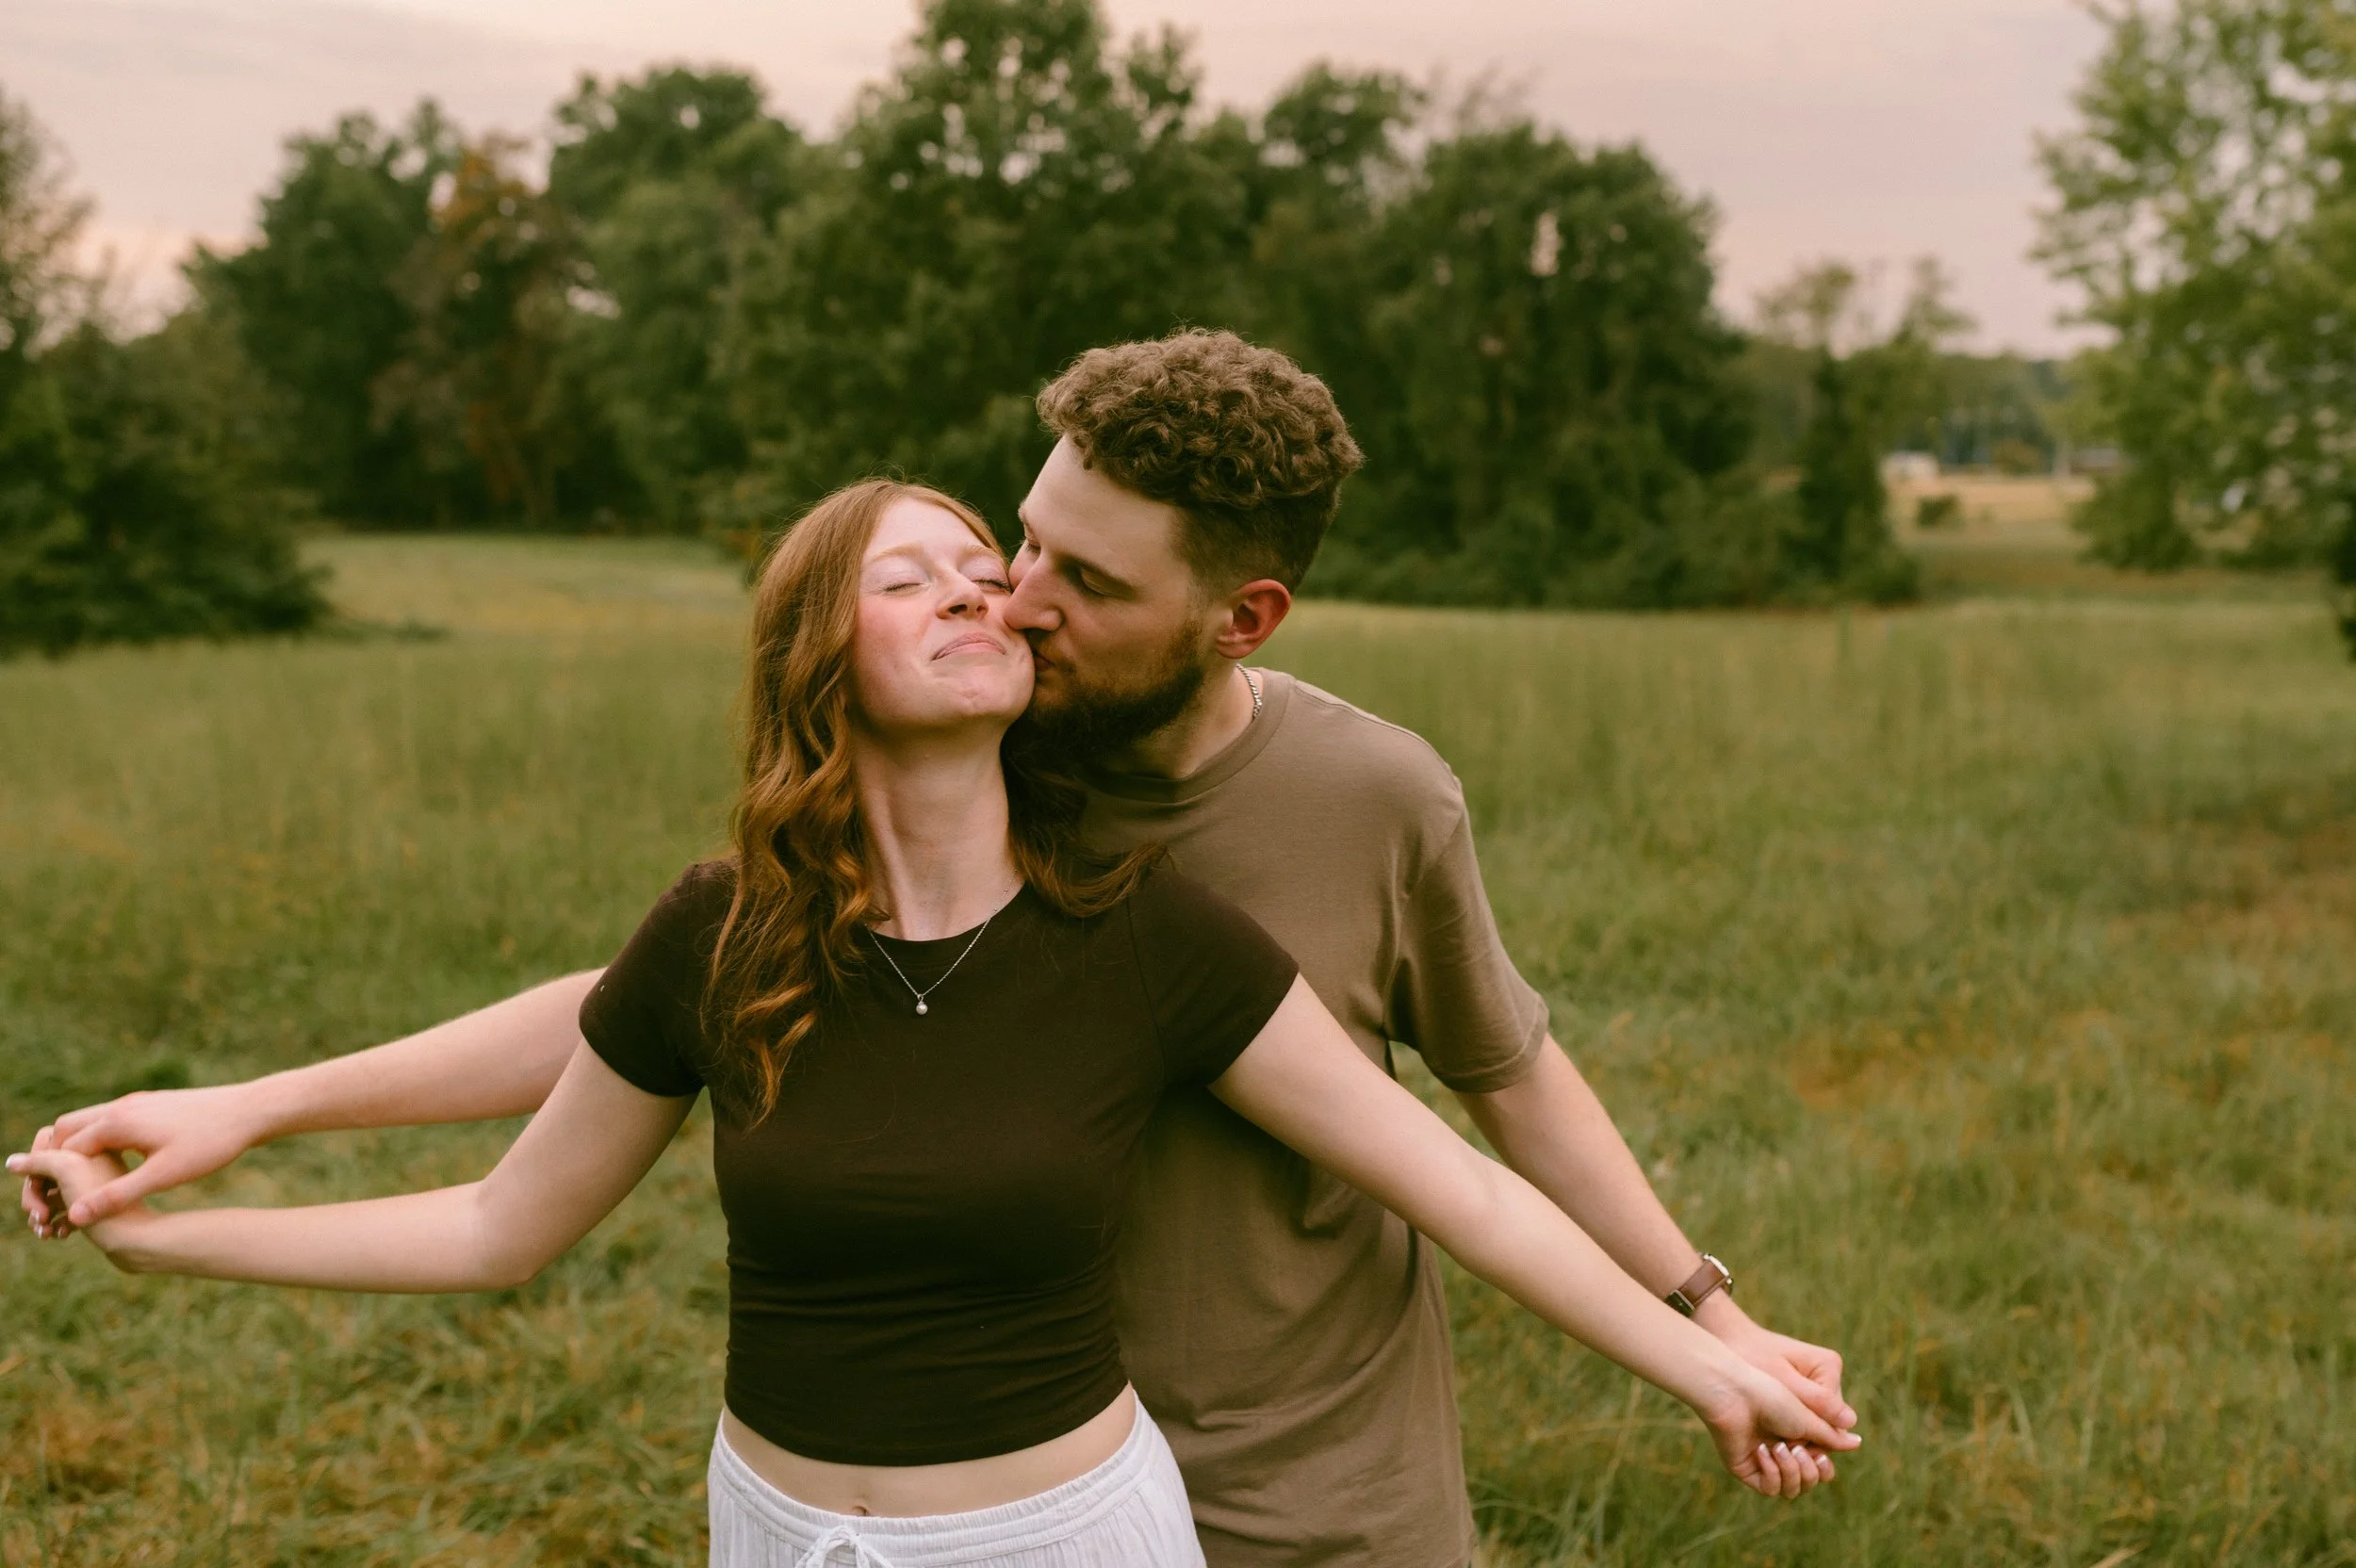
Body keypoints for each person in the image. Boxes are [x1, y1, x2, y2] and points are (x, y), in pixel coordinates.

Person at [22, 333, 1861, 1564]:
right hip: (882, 1480)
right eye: (1001, 547)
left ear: (1238, 618)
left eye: (1070, 580)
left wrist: (1707, 1328)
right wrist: (246, 1110)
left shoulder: (1319, 828)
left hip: (1302, 1487)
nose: (1012, 595)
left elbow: (1491, 1113)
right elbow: (631, 1020)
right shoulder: (918, 812)